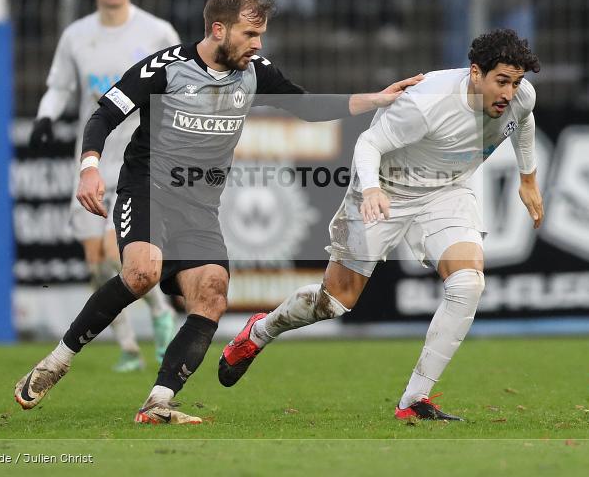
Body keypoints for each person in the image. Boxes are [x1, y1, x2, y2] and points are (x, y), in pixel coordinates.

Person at [14, 0, 423, 425]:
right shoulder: (165, 68)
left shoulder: (254, 70)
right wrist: (89, 168)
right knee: (141, 273)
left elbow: (306, 105)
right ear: (218, 29)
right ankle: (57, 360)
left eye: (260, 35)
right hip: (147, 188)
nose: (258, 44)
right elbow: (104, 115)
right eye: (250, 35)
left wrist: (377, 99)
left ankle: (158, 402)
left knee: (211, 293)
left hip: (199, 205)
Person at [218, 28, 543, 421]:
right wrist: (371, 190)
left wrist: (527, 179)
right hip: (384, 187)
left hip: (446, 191)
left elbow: (523, 124)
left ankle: (414, 401)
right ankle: (260, 332)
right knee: (334, 302)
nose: (509, 93)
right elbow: (369, 144)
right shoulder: (428, 102)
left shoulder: (521, 98)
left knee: (468, 283)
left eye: (517, 82)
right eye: (502, 81)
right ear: (475, 73)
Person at [28, 0, 180, 373]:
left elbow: (183, 82)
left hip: (139, 160)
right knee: (95, 261)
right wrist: (45, 117)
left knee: (118, 252)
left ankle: (161, 313)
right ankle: (129, 346)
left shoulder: (156, 33)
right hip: (93, 162)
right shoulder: (76, 36)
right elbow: (60, 86)